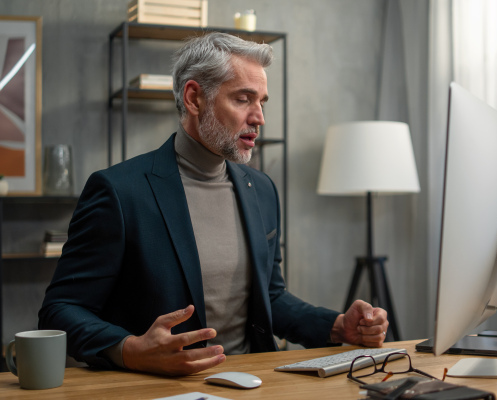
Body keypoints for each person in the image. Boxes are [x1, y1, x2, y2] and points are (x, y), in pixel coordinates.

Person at [38, 32, 389, 377]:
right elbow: (60, 310)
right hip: (159, 389)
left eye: (262, 101)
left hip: (255, 382)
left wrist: (339, 326)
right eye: (243, 99)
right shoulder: (118, 191)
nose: (259, 118)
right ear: (194, 98)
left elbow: (270, 298)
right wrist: (131, 350)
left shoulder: (261, 189)